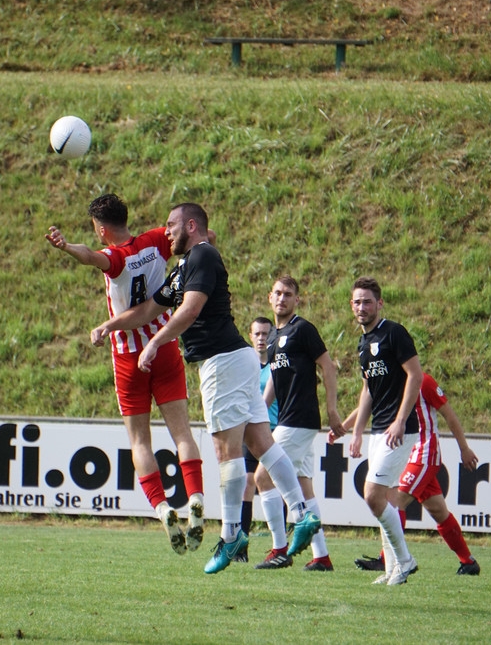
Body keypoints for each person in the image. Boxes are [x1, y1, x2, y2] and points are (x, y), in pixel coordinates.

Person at [91, 203, 320, 575]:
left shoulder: (203, 256)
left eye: (171, 225)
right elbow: (149, 309)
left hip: (222, 361)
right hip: (237, 359)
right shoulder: (184, 265)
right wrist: (109, 325)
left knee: (225, 450)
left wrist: (155, 342)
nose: (166, 232)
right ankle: (303, 513)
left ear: (191, 225)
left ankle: (231, 536)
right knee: (260, 443)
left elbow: (190, 310)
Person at [45, 194, 205, 555]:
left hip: (128, 356)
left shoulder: (114, 258)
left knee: (140, 442)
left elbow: (91, 256)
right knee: (182, 432)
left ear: (101, 229)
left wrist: (66, 247)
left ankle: (162, 508)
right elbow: (188, 236)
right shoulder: (156, 241)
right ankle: (195, 497)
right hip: (163, 345)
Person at [333, 373, 481, 575]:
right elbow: (367, 404)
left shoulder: (424, 381)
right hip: (405, 451)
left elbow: (449, 415)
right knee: (438, 510)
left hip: (424, 452)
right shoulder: (392, 379)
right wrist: (343, 428)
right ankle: (468, 561)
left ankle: (388, 559)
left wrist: (464, 448)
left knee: (395, 501)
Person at [254, 276, 345, 571]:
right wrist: (260, 411)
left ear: (297, 300)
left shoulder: (302, 329)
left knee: (262, 477)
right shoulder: (273, 337)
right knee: (305, 487)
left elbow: (327, 366)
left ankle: (280, 549)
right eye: (278, 293)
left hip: (299, 420)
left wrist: (332, 410)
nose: (282, 298)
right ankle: (322, 557)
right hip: (291, 420)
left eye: (288, 294)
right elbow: (274, 380)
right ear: (270, 297)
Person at [347, 276, 422, 586]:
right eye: (357, 302)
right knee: (384, 501)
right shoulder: (363, 343)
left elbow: (415, 375)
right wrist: (357, 432)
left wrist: (401, 419)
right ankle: (392, 568)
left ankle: (405, 561)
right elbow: (368, 390)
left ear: (379, 304)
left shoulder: (394, 333)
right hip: (379, 430)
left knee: (372, 495)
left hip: (400, 429)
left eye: (367, 301)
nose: (361, 307)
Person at [235, 316, 279, 564]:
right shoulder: (245, 365)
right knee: (246, 484)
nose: (261, 338)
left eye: (266, 334)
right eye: (257, 334)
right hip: (250, 430)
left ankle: (280, 547)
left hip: (275, 431)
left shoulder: (278, 364)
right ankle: (241, 547)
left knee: (277, 485)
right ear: (250, 336)